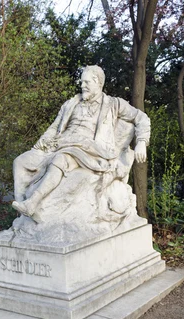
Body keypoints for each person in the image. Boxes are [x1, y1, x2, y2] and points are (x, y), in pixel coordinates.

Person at [12, 65, 150, 218]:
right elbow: (54, 128)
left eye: (86, 82)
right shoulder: (71, 104)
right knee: (20, 162)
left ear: (98, 83)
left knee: (61, 158)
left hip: (89, 150)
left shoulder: (113, 104)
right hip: (59, 145)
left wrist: (142, 142)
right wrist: (41, 144)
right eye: (82, 82)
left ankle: (32, 202)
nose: (82, 86)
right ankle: (21, 216)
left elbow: (141, 118)